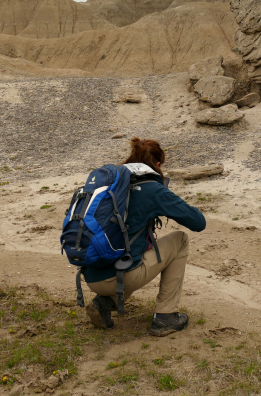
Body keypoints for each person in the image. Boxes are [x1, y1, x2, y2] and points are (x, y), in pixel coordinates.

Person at [83, 137, 206, 336]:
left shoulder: (111, 185)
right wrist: (166, 198)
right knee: (180, 240)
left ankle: (104, 302)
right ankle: (165, 316)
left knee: (129, 249)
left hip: (91, 274)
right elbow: (199, 223)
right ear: (157, 165)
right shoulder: (152, 189)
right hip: (120, 277)